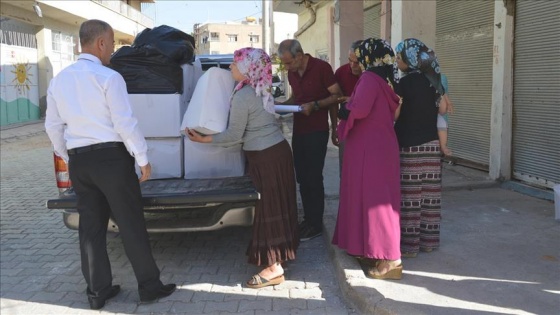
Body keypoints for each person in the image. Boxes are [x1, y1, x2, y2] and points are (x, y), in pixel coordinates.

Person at [44, 20, 176, 310]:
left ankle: (97, 291)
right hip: (112, 160)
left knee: (90, 229)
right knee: (130, 223)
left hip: (80, 162)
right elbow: (124, 122)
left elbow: (53, 126)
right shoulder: (108, 77)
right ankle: (150, 287)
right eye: (113, 43)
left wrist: (68, 157)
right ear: (101, 43)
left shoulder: (59, 80)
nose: (114, 49)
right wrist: (142, 159)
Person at [185, 47, 299, 289]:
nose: (230, 67)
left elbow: (235, 135)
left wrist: (203, 139)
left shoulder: (244, 94)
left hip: (265, 157)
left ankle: (273, 268)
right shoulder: (262, 87)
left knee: (267, 210)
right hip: (278, 152)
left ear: (248, 68)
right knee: (278, 204)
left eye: (235, 64)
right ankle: (280, 257)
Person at [332, 38, 403, 280]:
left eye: (357, 58)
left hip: (370, 149)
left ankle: (390, 260)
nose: (354, 63)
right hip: (378, 145)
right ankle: (371, 249)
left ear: (368, 57)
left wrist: (344, 109)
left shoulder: (370, 79)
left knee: (378, 203)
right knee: (375, 199)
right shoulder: (386, 78)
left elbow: (359, 110)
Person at [277, 39, 342, 241]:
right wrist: (277, 106)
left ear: (299, 56)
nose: (286, 68)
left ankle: (315, 223)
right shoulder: (292, 73)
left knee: (314, 177)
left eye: (288, 63)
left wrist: (316, 106)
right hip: (299, 131)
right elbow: (295, 99)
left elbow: (337, 96)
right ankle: (308, 219)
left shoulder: (322, 68)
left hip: (318, 130)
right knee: (302, 177)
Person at [394, 38, 447, 258]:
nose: (397, 61)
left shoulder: (402, 85)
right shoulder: (433, 82)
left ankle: (409, 246)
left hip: (409, 147)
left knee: (410, 198)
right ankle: (428, 242)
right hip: (432, 146)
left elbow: (395, 114)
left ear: (410, 59)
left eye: (399, 57)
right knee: (430, 196)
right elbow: (443, 109)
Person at [334, 40, 363, 174]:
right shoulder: (341, 72)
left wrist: (353, 100)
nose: (352, 65)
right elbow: (334, 100)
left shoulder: (374, 76)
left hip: (367, 128)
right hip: (346, 127)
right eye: (350, 60)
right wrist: (334, 127)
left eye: (356, 62)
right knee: (346, 170)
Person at [438, 74, 454, 156]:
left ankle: (443, 147)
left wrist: (448, 103)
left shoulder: (440, 78)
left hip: (439, 116)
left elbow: (442, 91)